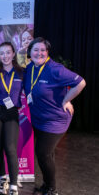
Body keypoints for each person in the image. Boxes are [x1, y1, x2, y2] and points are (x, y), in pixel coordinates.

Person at [23, 37, 86, 195]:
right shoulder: (30, 68)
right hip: (38, 118)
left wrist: (67, 100)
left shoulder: (54, 68)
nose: (39, 53)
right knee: (47, 154)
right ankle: (46, 184)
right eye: (35, 50)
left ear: (48, 52)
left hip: (55, 120)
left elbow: (81, 83)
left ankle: (52, 189)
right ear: (29, 52)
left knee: (43, 153)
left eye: (43, 50)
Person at [0, 42, 23, 195]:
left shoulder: (22, 72)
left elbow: (34, 89)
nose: (5, 56)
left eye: (8, 52)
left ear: (13, 53)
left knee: (10, 147)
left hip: (11, 113)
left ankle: (14, 184)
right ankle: (3, 179)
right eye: (2, 53)